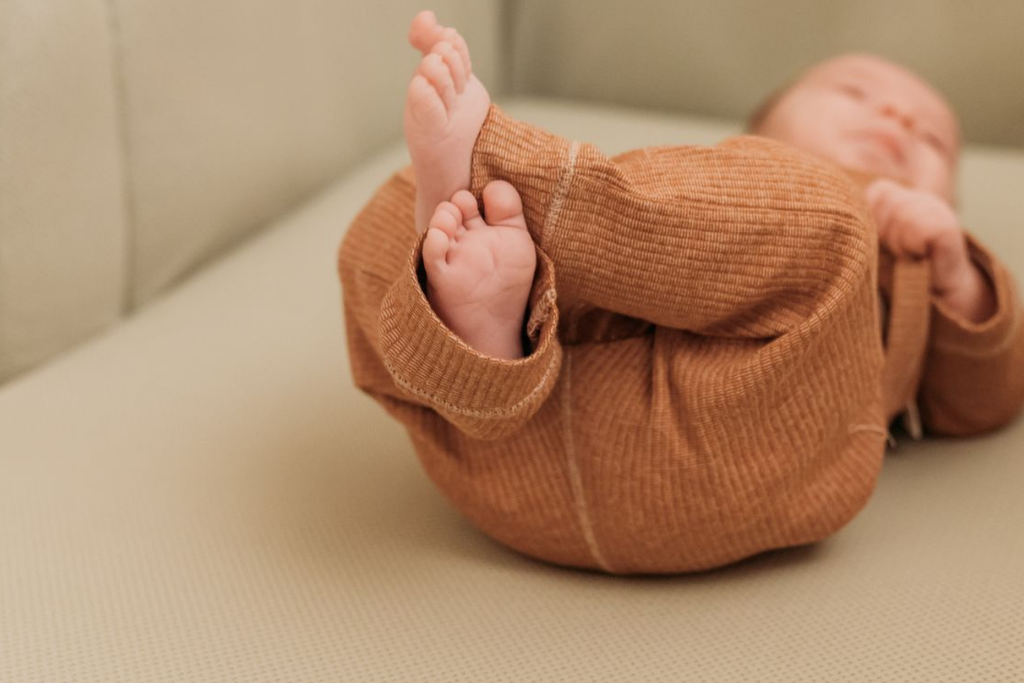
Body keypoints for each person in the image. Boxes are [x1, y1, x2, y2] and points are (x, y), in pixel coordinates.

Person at [336, 11, 1024, 575]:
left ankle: (493, 177)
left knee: (835, 218)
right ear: (753, 136)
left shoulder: (905, 263)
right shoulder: (705, 193)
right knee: (389, 224)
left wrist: (958, 279)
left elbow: (983, 401)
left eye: (933, 139)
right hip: (507, 450)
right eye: (853, 93)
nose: (898, 118)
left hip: (741, 457)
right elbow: (697, 211)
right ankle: (485, 336)